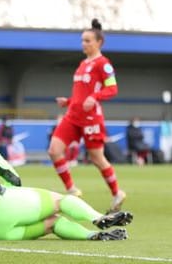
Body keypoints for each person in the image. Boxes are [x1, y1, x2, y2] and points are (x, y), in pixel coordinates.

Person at [0, 120, 133, 240]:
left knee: (51, 225)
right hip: (5, 204)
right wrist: (15, 200)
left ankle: (93, 235)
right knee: (60, 203)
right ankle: (97, 218)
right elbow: (14, 179)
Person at [48, 18, 126, 213]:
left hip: (91, 119)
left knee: (97, 158)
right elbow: (81, 93)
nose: (84, 44)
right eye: (82, 40)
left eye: (88, 40)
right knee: (54, 150)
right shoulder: (82, 64)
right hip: (73, 115)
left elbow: (113, 89)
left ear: (98, 42)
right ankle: (72, 190)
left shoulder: (103, 64)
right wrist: (68, 101)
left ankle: (117, 192)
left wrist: (95, 97)